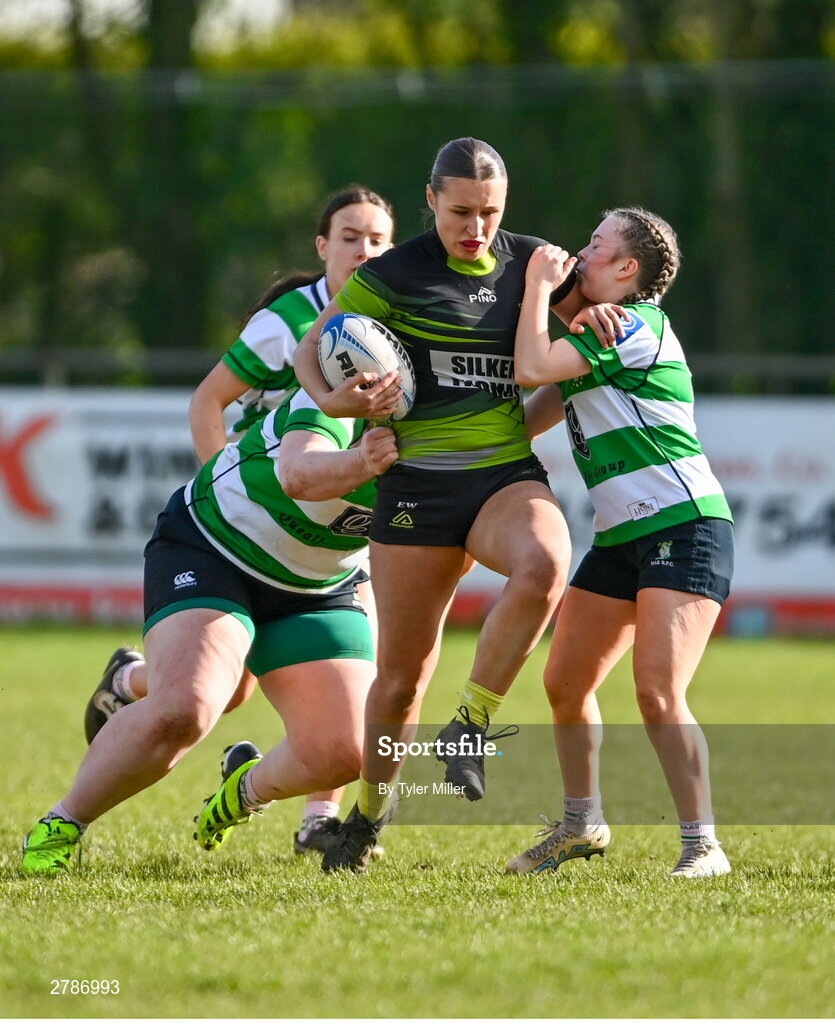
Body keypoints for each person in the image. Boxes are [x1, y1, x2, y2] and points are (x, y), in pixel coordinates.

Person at [291, 137, 616, 873]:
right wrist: (335, 400)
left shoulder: (532, 264)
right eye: (460, 211)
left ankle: (468, 724)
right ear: (430, 199)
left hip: (500, 476)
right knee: (400, 680)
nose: (475, 227)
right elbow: (311, 348)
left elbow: (576, 343)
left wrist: (593, 318)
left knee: (545, 562)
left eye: (489, 212)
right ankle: (367, 819)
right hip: (414, 490)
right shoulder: (393, 272)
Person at [83, 185, 396, 855]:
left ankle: (318, 818)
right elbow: (209, 402)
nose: (363, 249)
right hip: (256, 512)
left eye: (377, 239)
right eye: (349, 235)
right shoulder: (289, 322)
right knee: (222, 692)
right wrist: (225, 484)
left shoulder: (394, 323)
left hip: (332, 520)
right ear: (322, 246)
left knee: (348, 664)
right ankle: (128, 681)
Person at [21, 389, 398, 875]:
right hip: (215, 549)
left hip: (318, 585)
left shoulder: (458, 440)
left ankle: (242, 790)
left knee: (345, 752)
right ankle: (62, 823)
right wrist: (365, 460)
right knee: (186, 709)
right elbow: (299, 473)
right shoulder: (344, 388)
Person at [506, 207, 734, 879]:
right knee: (564, 680)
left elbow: (529, 368)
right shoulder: (595, 334)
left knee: (657, 691)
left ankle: (702, 846)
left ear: (626, 269)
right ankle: (581, 824)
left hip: (683, 524)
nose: (579, 253)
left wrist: (535, 289)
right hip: (619, 537)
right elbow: (528, 413)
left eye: (594, 246)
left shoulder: (633, 324)